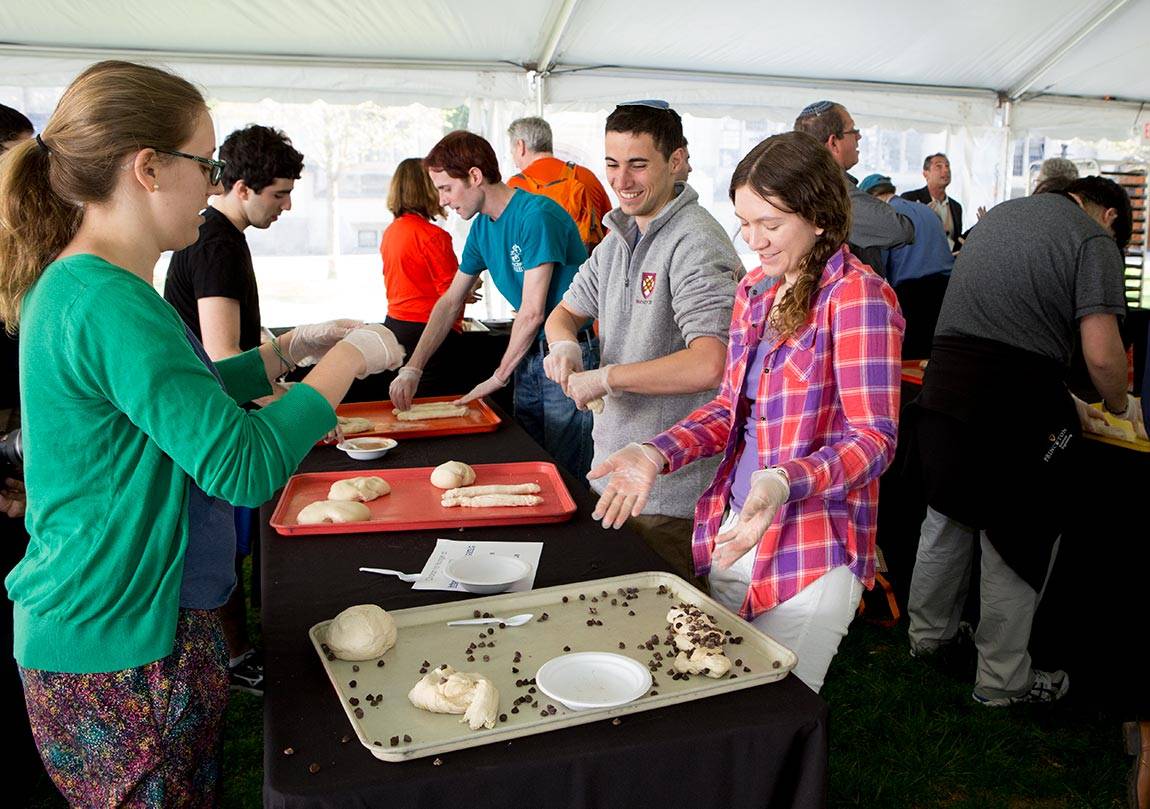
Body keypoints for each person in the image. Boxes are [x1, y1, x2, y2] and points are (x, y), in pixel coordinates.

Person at [0, 60, 404, 804]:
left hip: (119, 626)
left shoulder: (87, 284)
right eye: (207, 163)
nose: (216, 183)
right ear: (147, 168)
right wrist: (349, 360)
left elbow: (175, 402)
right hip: (117, 640)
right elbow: (242, 465)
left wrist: (286, 352)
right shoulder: (108, 302)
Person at [587, 131, 904, 692]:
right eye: (745, 223)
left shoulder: (858, 298)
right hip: (734, 529)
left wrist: (784, 481)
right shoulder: (757, 289)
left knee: (775, 707)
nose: (754, 240)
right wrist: (653, 452)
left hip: (809, 546)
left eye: (771, 224)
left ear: (821, 218)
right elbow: (729, 412)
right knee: (720, 695)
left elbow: (873, 439)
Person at [905, 175, 1144, 707]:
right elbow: (1103, 355)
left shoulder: (1000, 217)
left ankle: (928, 643)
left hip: (944, 390)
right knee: (1017, 534)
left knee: (947, 516)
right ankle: (1002, 684)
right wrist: (1120, 405)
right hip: (1014, 405)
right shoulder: (1092, 238)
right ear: (1107, 214)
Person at [543, 100, 740, 588]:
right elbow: (563, 313)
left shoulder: (697, 241)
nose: (621, 180)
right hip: (614, 471)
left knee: (672, 639)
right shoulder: (617, 237)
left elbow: (709, 363)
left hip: (670, 488)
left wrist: (607, 376)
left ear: (677, 161)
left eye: (637, 164)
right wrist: (564, 344)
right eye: (612, 164)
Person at [163, 123, 309, 695]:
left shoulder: (223, 235)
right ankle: (235, 656)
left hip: (208, 414)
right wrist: (295, 400)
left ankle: (234, 650)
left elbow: (240, 335)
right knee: (219, 549)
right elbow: (224, 356)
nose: (287, 205)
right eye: (279, 194)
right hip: (210, 422)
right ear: (242, 186)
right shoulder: (216, 242)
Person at [389, 131, 594, 479]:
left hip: (566, 350)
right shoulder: (482, 228)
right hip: (528, 350)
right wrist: (414, 366)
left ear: (474, 176)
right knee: (530, 456)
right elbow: (449, 302)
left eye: (446, 188)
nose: (442, 201)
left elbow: (532, 311)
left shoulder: (536, 215)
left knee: (563, 467)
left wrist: (498, 376)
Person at [379, 157, 469, 396]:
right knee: (436, 406)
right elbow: (451, 295)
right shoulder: (433, 236)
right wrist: (470, 284)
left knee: (405, 403)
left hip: (395, 327)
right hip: (430, 331)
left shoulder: (391, 231)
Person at [794, 100, 914, 276]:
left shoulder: (797, 186)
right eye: (853, 131)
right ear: (834, 143)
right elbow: (901, 230)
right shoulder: (833, 192)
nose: (859, 137)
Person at [860, 173, 954, 359]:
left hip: (912, 294)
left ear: (871, 199)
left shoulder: (887, 218)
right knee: (931, 357)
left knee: (910, 359)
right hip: (945, 291)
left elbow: (878, 269)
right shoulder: (926, 210)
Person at [507, 116, 612, 252]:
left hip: (537, 270)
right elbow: (610, 227)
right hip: (587, 268)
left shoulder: (515, 186)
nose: (513, 158)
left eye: (512, 151)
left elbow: (509, 244)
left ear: (521, 146)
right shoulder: (586, 176)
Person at [902, 153, 964, 252]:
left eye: (947, 166)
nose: (946, 170)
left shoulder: (956, 207)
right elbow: (904, 236)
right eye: (939, 166)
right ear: (926, 174)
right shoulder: (910, 199)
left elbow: (957, 240)